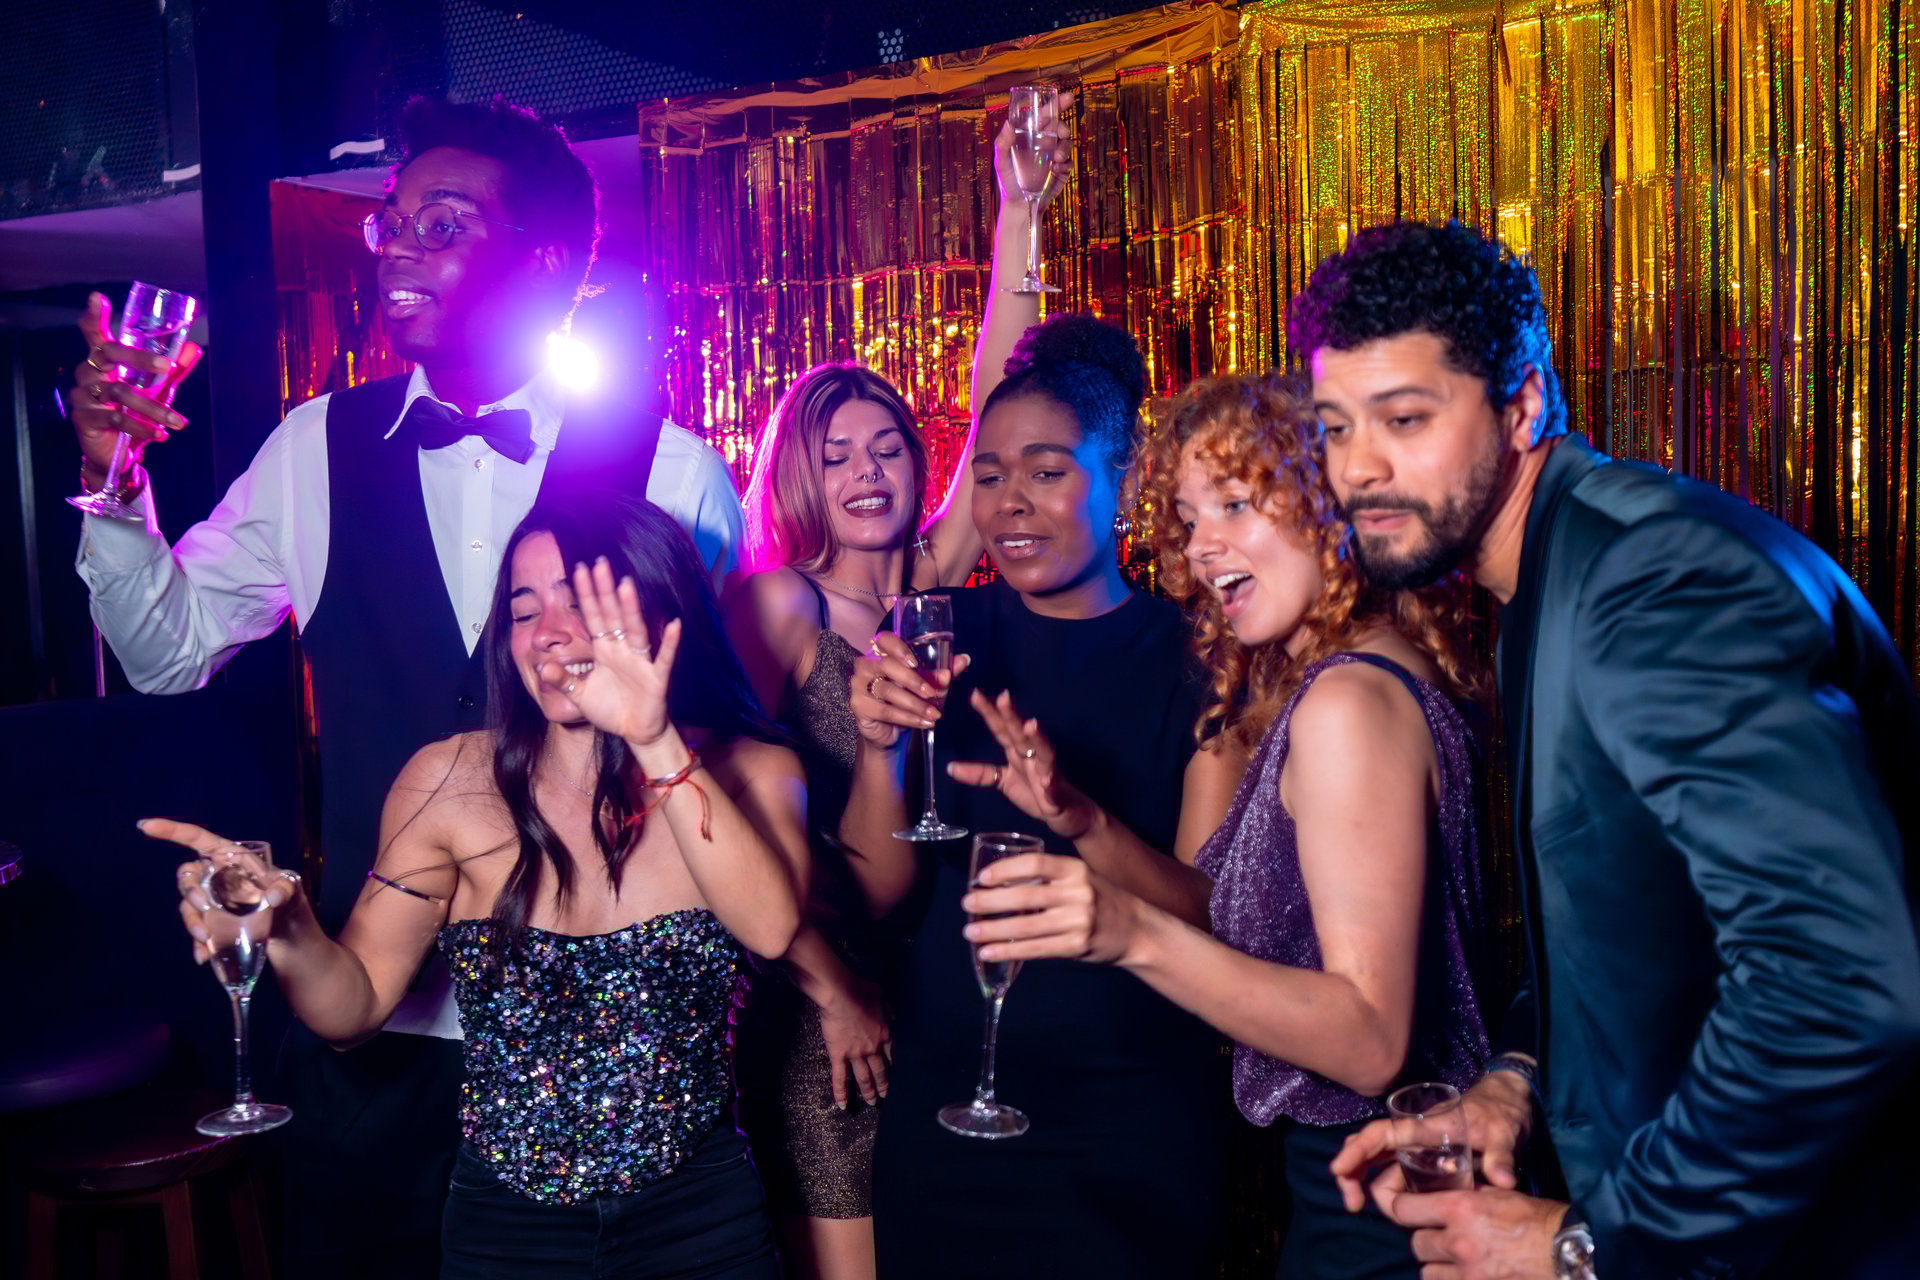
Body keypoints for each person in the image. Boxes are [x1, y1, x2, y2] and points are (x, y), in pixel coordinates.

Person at [70, 97, 746, 1275]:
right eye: (393, 222)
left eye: (444, 221)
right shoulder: (313, 448)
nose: (397, 248)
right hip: (371, 1021)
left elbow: (724, 750)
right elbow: (164, 649)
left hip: (602, 1043)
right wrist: (119, 481)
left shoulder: (670, 466)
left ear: (539, 262)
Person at [1299, 219, 1920, 1280]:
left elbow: (1837, 979)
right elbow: (1637, 928)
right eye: (1334, 424)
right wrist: (1516, 1077)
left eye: (1404, 418)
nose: (1358, 467)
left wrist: (1594, 1240)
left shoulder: (1651, 581)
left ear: (1524, 401)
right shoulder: (1553, 571)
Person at [152, 497, 802, 1279]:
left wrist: (653, 737)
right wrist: (289, 928)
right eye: (524, 610)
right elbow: (351, 1012)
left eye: (576, 598)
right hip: (507, 1229)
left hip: (701, 1219)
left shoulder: (753, 774)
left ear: (657, 609)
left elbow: (770, 928)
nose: (549, 631)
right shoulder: (450, 781)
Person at [958, 370, 1491, 1278]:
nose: (1204, 549)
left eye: (1237, 505)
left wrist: (1128, 936)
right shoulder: (1357, 671)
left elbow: (1369, 1042)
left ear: (1327, 503)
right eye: (1191, 519)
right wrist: (1081, 818)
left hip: (1382, 1198)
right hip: (1390, 1187)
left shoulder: (1346, 704)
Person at [719, 96, 1073, 1280]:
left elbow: (996, 403)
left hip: (933, 971)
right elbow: (712, 802)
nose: (868, 469)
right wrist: (818, 977)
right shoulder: (779, 604)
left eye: (885, 446)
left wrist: (1019, 212)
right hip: (825, 981)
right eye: (837, 452)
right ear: (798, 474)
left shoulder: (929, 587)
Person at [842, 312, 1237, 1278]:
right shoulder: (937, 629)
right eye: (988, 474)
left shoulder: (1201, 658)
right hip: (944, 1112)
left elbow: (1212, 912)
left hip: (1129, 1123)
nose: (1009, 503)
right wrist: (876, 746)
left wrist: (1079, 818)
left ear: (1127, 481)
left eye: (1047, 473)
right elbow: (879, 895)